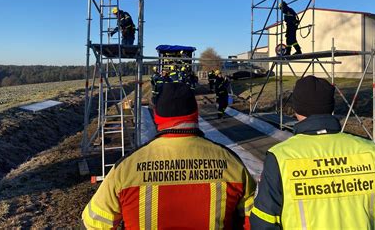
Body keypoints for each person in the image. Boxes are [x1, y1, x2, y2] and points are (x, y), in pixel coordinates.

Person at [82, 83, 256, 229]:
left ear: (157, 117)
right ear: (195, 114)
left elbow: (93, 223)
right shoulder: (232, 163)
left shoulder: (125, 168)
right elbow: (254, 222)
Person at [250, 76, 375, 229]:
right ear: (331, 108)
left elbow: (264, 221)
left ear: (296, 109)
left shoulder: (280, 157)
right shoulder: (369, 152)